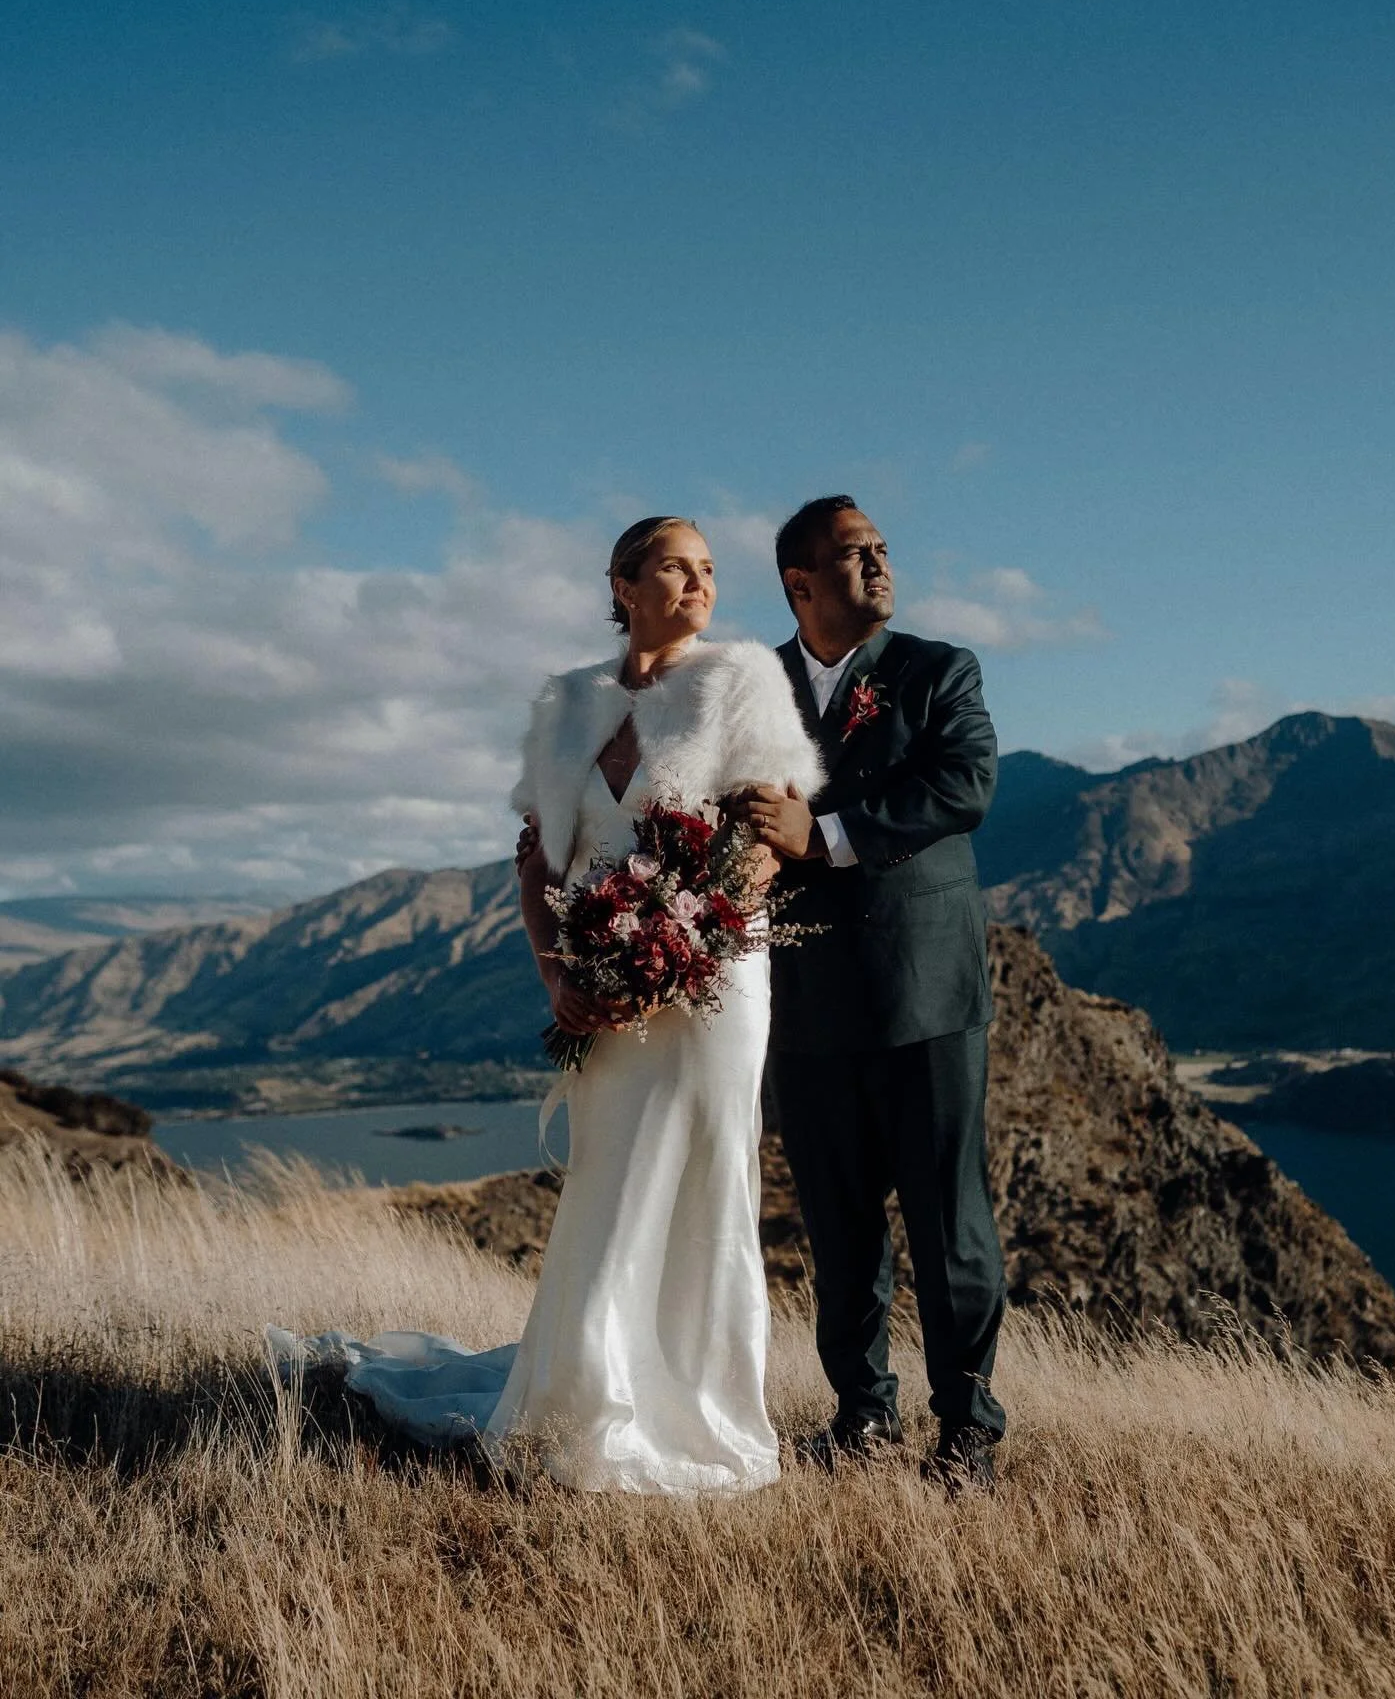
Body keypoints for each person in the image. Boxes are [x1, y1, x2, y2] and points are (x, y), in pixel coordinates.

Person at [271, 516, 823, 1495]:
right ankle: (584, 1400)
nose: (698, 583)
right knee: (610, 1177)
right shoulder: (569, 707)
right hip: (603, 988)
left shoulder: (741, 686)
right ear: (621, 584)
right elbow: (539, 864)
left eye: (708, 570)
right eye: (674, 567)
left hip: (715, 984)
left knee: (701, 1176)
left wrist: (676, 946)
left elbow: (764, 848)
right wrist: (562, 978)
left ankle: (701, 1414)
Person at [730, 495, 1006, 1492]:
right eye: (857, 556)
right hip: (802, 1001)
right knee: (839, 1229)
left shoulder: (940, 673)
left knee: (948, 1225)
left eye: (883, 550)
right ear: (802, 585)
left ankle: (968, 1431)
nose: (882, 566)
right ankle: (862, 1418)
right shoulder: (750, 688)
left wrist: (827, 837)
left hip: (925, 995)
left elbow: (964, 785)